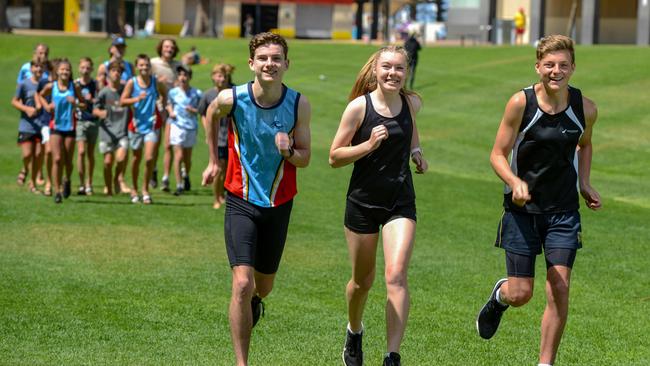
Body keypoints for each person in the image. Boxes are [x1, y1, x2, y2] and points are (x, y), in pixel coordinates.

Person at [475, 35, 601, 366]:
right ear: (538, 67)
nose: (555, 71)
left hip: (563, 212)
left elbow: (585, 144)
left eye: (562, 65)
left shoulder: (585, 108)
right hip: (522, 212)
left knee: (559, 290)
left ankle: (545, 364)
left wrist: (585, 183)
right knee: (522, 293)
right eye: (549, 65)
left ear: (573, 67)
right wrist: (514, 181)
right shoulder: (521, 103)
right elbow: (497, 154)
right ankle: (500, 297)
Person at [201, 32, 311, 366]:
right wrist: (213, 160)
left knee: (263, 286)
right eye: (263, 58)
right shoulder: (231, 98)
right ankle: (242, 362)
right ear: (251, 63)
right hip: (240, 200)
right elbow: (210, 114)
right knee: (242, 283)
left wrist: (288, 149)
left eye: (276, 58)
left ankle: (256, 302)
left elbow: (305, 158)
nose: (269, 64)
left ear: (286, 64)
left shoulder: (298, 104)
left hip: (279, 204)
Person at [329, 45, 428, 366]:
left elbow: (411, 131)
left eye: (399, 68)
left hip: (400, 200)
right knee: (362, 282)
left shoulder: (411, 102)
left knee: (396, 275)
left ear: (406, 71)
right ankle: (354, 331)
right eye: (387, 67)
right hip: (363, 203)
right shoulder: (359, 108)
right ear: (375, 70)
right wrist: (368, 145)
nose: (393, 74)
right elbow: (334, 157)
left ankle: (392, 356)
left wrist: (416, 153)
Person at [120, 54, 167, 204]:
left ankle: (145, 189)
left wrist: (162, 105)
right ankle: (134, 189)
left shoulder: (155, 82)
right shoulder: (132, 83)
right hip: (136, 126)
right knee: (136, 158)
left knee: (149, 158)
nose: (144, 67)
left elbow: (164, 93)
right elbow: (122, 101)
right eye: (141, 65)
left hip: (152, 125)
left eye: (147, 65)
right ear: (137, 67)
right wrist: (136, 99)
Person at [39, 59, 86, 204]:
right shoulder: (51, 86)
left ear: (70, 72)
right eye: (62, 69)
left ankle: (67, 179)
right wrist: (46, 106)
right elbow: (40, 95)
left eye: (67, 70)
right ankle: (57, 190)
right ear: (57, 72)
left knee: (67, 161)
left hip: (70, 126)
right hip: (56, 126)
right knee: (57, 159)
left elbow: (84, 105)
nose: (65, 72)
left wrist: (76, 103)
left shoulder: (74, 86)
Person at [198, 63, 235, 209]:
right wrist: (209, 132)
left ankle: (222, 195)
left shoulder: (233, 92)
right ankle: (216, 198)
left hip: (231, 138)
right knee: (217, 169)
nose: (222, 79)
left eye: (225, 76)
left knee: (226, 169)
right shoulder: (208, 95)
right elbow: (202, 114)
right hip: (217, 138)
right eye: (219, 76)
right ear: (213, 77)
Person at [94, 61, 130, 196]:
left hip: (122, 131)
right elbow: (95, 109)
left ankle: (117, 179)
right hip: (107, 131)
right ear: (109, 73)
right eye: (114, 71)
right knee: (108, 162)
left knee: (121, 159)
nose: (116, 73)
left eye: (119, 71)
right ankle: (108, 187)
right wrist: (100, 113)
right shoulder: (104, 92)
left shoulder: (125, 90)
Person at [150, 38, 182, 191]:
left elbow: (183, 83)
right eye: (166, 46)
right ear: (161, 48)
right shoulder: (153, 63)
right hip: (156, 107)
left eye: (171, 46)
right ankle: (153, 171)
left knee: (169, 144)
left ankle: (166, 177)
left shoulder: (178, 66)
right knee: (155, 142)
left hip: (173, 110)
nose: (169, 49)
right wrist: (157, 82)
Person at [166, 64, 201, 196]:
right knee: (178, 155)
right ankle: (179, 185)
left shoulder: (196, 93)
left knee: (187, 158)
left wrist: (193, 110)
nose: (182, 77)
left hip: (191, 127)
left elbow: (201, 109)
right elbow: (168, 104)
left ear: (189, 77)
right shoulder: (173, 92)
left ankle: (186, 174)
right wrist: (170, 112)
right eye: (180, 75)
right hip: (177, 126)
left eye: (185, 75)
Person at [12, 58, 45, 194]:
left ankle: (33, 184)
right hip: (26, 125)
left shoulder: (46, 84)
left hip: (41, 125)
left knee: (37, 155)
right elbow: (14, 101)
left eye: (41, 67)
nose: (38, 69)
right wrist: (26, 109)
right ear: (31, 68)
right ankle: (25, 169)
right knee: (27, 155)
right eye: (36, 66)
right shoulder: (24, 84)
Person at [74, 57, 99, 195]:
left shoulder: (95, 84)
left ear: (92, 69)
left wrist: (93, 99)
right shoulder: (75, 84)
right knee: (81, 151)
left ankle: (89, 183)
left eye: (88, 68)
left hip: (93, 121)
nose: (85, 70)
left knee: (90, 153)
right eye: (83, 67)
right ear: (79, 68)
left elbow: (101, 100)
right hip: (80, 120)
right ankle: (81, 183)